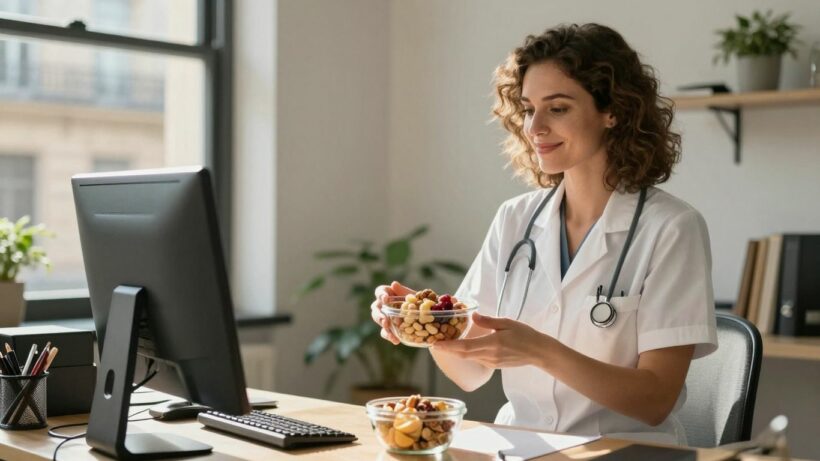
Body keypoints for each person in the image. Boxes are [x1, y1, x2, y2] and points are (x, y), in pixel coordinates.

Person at [371, 23, 717, 445]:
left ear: (614, 112)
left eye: (558, 108)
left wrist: (540, 351)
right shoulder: (515, 219)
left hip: (625, 451)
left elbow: (655, 399)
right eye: (529, 108)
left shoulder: (671, 228)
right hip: (524, 445)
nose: (535, 127)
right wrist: (428, 325)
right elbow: (470, 373)